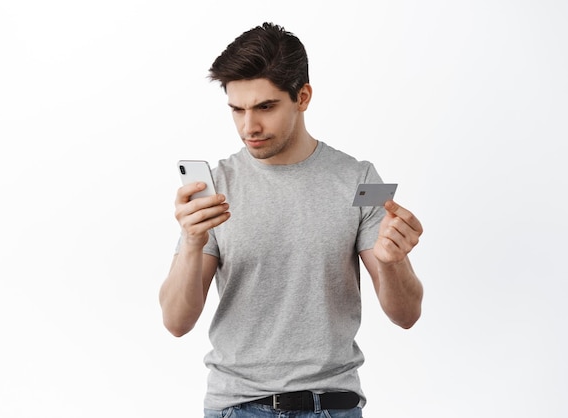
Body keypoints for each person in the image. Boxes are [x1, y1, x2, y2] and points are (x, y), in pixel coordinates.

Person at [159, 22, 424, 418]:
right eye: (237, 109)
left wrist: (394, 259)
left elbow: (407, 315)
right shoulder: (215, 186)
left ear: (303, 97)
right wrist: (192, 243)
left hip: (333, 405)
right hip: (237, 406)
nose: (249, 127)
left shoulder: (362, 180)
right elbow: (176, 323)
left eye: (265, 107)